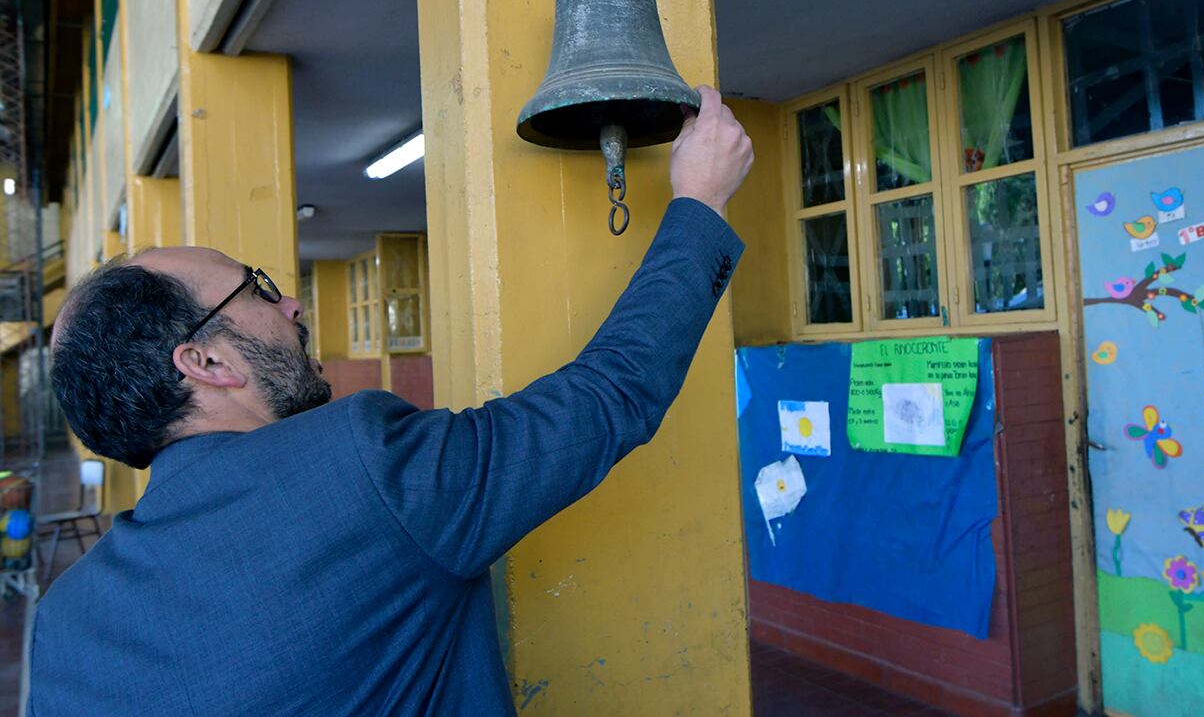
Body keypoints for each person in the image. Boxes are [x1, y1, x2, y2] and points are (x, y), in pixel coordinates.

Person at [28, 85, 753, 716]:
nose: (290, 306)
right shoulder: (358, 470)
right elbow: (610, 394)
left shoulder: (62, 626)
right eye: (256, 287)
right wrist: (700, 203)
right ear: (205, 360)